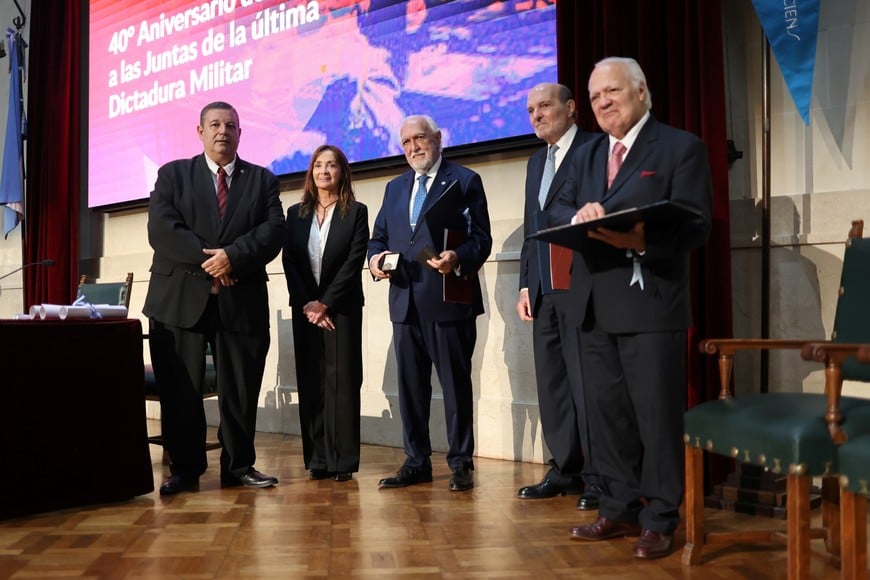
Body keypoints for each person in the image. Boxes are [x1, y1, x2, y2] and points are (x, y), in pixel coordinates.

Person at [553, 58, 712, 559]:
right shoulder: (585, 154)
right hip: (593, 304)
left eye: (612, 91)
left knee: (656, 417)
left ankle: (661, 517)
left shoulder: (680, 147)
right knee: (607, 417)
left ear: (641, 91)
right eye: (595, 95)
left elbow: (695, 226)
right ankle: (617, 507)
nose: (602, 102)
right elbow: (556, 207)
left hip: (651, 306)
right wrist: (579, 213)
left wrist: (639, 238)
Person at [144, 101, 285, 496]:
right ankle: (185, 470)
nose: (223, 131)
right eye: (215, 124)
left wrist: (233, 258)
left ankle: (239, 466)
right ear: (200, 131)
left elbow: (274, 230)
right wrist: (211, 260)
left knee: (240, 389)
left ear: (241, 133)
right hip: (178, 302)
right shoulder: (173, 174)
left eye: (231, 125)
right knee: (180, 391)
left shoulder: (262, 181)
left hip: (240, 302)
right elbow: (162, 228)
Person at [368, 114, 492, 492]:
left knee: (455, 386)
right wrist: (374, 261)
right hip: (404, 301)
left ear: (438, 138)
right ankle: (416, 460)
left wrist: (457, 256)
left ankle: (461, 462)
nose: (413, 147)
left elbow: (481, 240)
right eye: (406, 142)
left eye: (419, 138)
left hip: (447, 300)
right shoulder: (394, 188)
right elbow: (379, 239)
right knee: (410, 388)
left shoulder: (465, 180)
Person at [516, 82, 600, 509]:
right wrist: (525, 285)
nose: (536, 115)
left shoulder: (595, 148)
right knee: (553, 384)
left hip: (582, 285)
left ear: (570, 108)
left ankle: (599, 477)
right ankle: (564, 468)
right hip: (544, 290)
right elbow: (534, 229)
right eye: (531, 109)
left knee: (588, 385)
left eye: (544, 106)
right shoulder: (535, 163)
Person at [282, 145, 370, 482]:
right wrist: (308, 304)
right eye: (318, 165)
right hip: (306, 310)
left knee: (343, 383)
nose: (324, 171)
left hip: (342, 309)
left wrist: (326, 303)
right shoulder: (295, 213)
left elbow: (354, 260)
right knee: (312, 381)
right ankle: (317, 459)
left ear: (342, 172)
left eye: (331, 165)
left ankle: (342, 461)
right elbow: (290, 260)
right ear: (311, 173)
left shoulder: (357, 212)